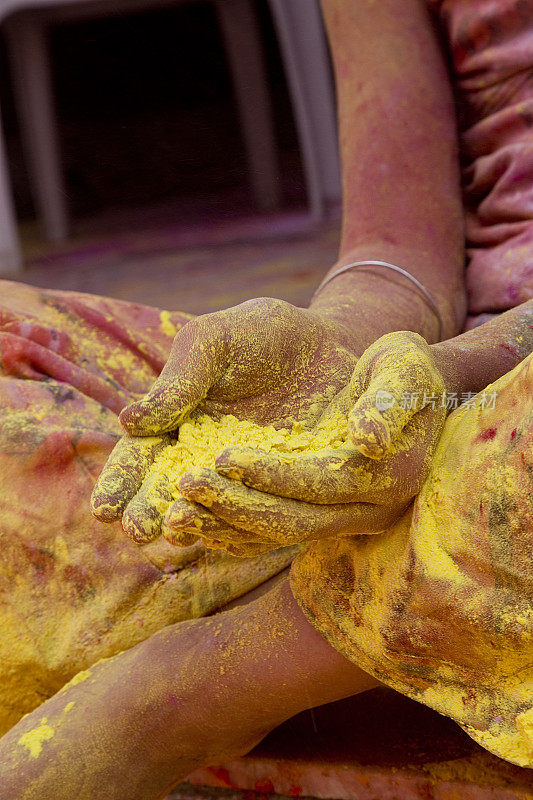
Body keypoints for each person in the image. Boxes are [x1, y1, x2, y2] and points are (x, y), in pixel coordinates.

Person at [0, 0, 531, 797]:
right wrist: (339, 349)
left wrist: (462, 376)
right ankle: (391, 614)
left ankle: (201, 686)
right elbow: (394, 255)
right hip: (435, 381)